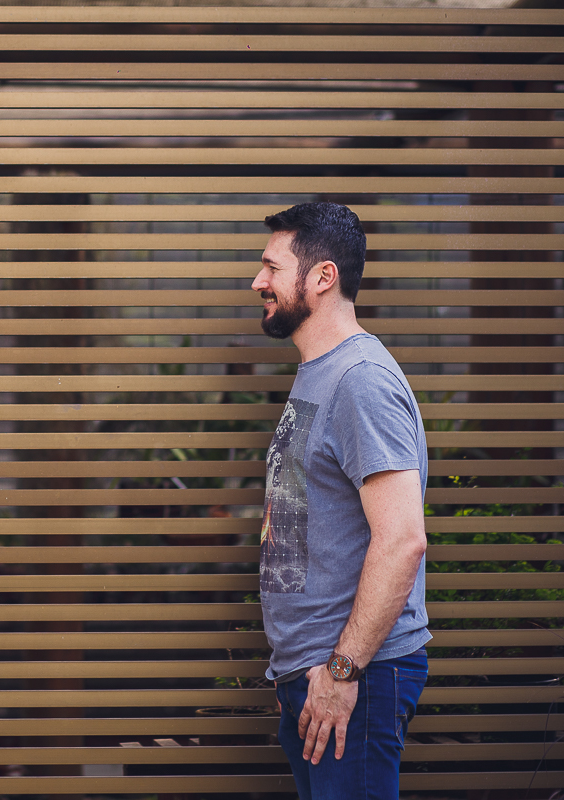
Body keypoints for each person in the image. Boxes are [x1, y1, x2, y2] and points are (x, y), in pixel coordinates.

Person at [252, 203, 430, 799]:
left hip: (356, 677)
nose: (258, 283)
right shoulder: (319, 373)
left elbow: (403, 539)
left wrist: (342, 671)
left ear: (322, 277)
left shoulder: (361, 381)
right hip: (315, 674)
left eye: (271, 268)